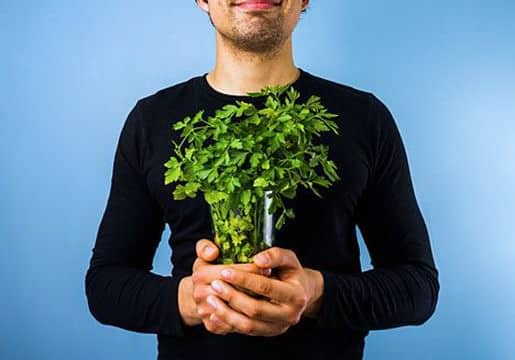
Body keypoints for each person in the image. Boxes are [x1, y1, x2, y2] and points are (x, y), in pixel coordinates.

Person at [85, 1, 440, 359]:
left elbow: (418, 287)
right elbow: (105, 285)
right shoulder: (151, 121)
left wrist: (316, 294)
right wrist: (192, 299)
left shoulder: (364, 119)